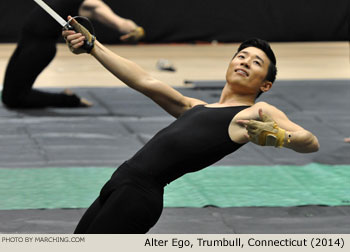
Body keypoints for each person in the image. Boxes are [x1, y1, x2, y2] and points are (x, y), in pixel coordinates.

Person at [63, 17, 319, 233]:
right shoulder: (193, 107)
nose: (244, 62)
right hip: (119, 185)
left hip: (138, 196)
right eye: (241, 56)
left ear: (265, 85)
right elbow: (143, 81)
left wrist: (284, 137)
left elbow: (310, 141)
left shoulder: (254, 113)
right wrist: (93, 46)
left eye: (256, 62)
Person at [1, 0, 144, 108]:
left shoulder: (88, 2)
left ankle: (69, 100)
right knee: (10, 95)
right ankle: (66, 98)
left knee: (13, 99)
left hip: (38, 49)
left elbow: (110, 17)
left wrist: (134, 30)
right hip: (26, 42)